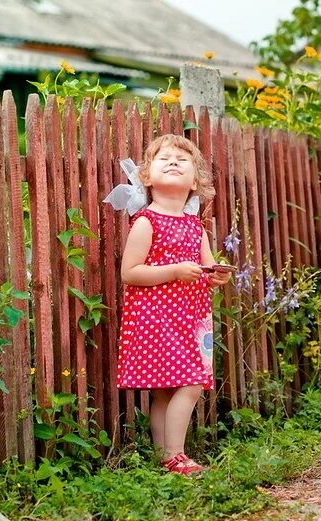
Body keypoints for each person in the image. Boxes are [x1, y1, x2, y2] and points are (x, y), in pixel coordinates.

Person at [109, 133, 231, 475]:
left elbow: (205, 270)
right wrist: (176, 270)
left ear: (196, 181)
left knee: (168, 390)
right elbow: (130, 273)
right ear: (147, 178)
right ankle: (177, 454)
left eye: (182, 159)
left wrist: (215, 276)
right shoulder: (147, 222)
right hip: (156, 317)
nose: (174, 162)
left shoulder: (196, 227)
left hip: (190, 319)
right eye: (164, 159)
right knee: (190, 383)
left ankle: (165, 457)